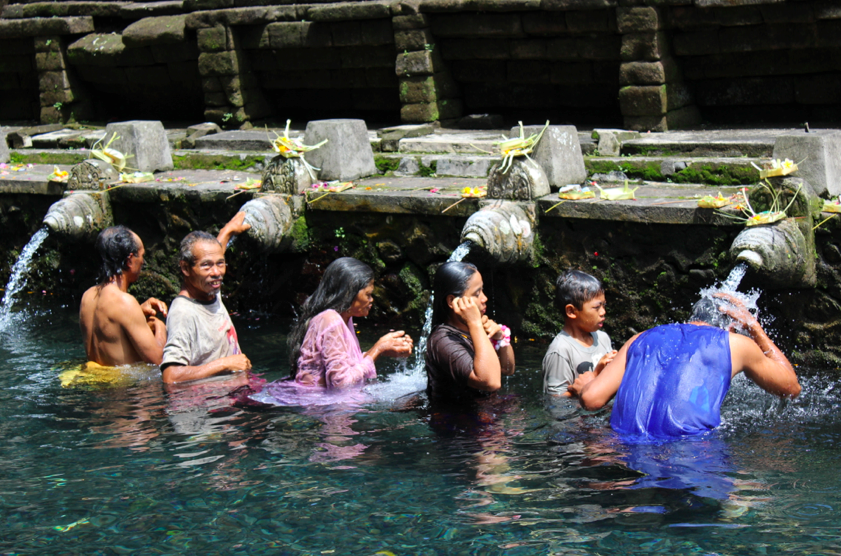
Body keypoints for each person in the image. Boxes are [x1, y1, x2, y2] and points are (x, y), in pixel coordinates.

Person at [568, 293, 801, 440]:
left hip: (622, 447)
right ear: (731, 327)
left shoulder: (641, 337)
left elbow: (591, 400)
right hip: (689, 454)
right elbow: (791, 387)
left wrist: (587, 383)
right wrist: (753, 326)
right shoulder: (734, 343)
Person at [285, 257, 413, 390]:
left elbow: (347, 365)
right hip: (317, 406)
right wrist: (377, 350)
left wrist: (385, 349)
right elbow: (342, 386)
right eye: (368, 294)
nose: (371, 300)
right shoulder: (330, 320)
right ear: (349, 293)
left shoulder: (345, 318)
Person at [160, 213, 252, 384]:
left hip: (232, 394)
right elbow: (171, 375)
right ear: (185, 268)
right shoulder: (184, 313)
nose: (216, 272)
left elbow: (213, 254)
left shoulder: (209, 288)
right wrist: (224, 363)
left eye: (220, 263)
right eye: (206, 266)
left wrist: (228, 230)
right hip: (211, 405)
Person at [425, 261, 515, 404]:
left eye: (482, 291)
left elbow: (507, 369)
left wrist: (500, 338)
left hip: (483, 415)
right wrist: (475, 324)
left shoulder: (472, 330)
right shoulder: (443, 340)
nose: (484, 298)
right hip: (458, 423)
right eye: (476, 293)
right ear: (452, 301)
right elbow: (491, 382)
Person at [79, 226, 168, 366]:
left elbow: (111, 329)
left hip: (98, 385)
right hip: (125, 387)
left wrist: (138, 311)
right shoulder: (124, 302)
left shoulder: (87, 297)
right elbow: (158, 361)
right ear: (129, 260)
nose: (143, 262)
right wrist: (160, 326)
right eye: (142, 255)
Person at [543, 270, 617, 397]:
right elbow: (554, 402)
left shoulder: (602, 338)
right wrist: (584, 389)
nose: (603, 312)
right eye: (597, 307)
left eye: (604, 305)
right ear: (571, 311)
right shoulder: (561, 351)